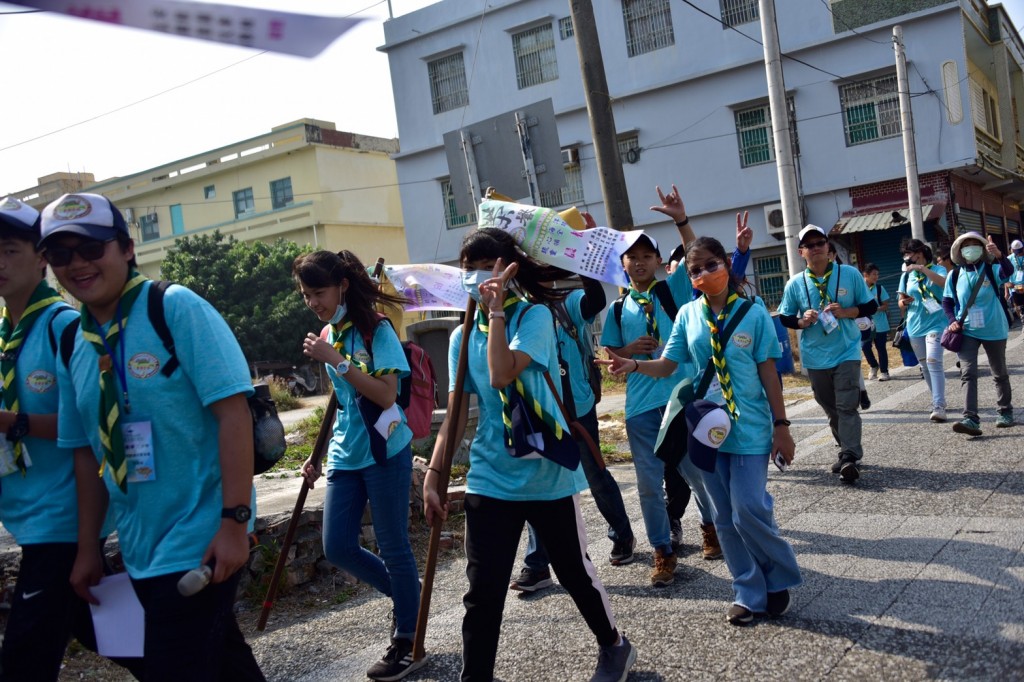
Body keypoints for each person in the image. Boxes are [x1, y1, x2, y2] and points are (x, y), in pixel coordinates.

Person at [42, 193, 264, 681]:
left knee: (176, 666)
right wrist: (88, 548)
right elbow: (87, 453)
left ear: (125, 248)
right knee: (221, 665)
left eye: (92, 248)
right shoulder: (70, 341)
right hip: (141, 547)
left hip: (199, 537)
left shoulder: (173, 308)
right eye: (61, 255)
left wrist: (234, 521)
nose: (78, 264)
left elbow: (233, 415)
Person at [423, 228, 636, 682]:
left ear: (509, 270)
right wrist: (436, 473)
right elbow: (459, 410)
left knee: (573, 572)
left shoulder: (534, 318)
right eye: (468, 270)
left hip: (545, 473)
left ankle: (614, 645)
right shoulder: (463, 337)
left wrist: (498, 313)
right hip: (490, 476)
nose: (475, 278)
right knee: (482, 591)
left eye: (485, 267)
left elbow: (502, 374)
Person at [603, 235, 802, 625]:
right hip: (707, 428)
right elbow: (669, 363)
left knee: (748, 509)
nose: (704, 274)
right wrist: (634, 366)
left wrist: (782, 426)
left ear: (726, 264)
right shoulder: (688, 316)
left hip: (751, 427)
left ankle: (777, 576)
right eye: (696, 270)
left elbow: (769, 373)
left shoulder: (754, 313)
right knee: (724, 518)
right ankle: (747, 590)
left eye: (712, 265)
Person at [0, 197, 142, 682]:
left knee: (23, 658)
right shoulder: (5, 336)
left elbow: (89, 428)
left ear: (40, 258)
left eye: (9, 250)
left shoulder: (64, 328)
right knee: (110, 633)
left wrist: (10, 422)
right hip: (28, 514)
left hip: (63, 518)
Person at [293, 250, 426, 680]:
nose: (313, 302)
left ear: (342, 286)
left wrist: (337, 360)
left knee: (394, 546)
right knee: (338, 547)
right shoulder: (331, 331)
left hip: (385, 450)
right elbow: (341, 402)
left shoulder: (376, 330)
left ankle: (408, 638)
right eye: (306, 295)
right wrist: (314, 457)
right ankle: (411, 600)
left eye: (319, 292)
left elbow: (386, 394)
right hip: (345, 455)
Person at [600, 184, 718, 585]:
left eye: (647, 256)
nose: (639, 262)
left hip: (679, 398)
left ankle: (711, 527)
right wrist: (629, 349)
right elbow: (611, 353)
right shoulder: (618, 307)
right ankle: (662, 551)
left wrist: (682, 221)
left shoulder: (675, 290)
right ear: (624, 264)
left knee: (696, 472)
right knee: (649, 485)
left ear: (657, 261)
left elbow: (693, 257)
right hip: (639, 407)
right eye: (632, 256)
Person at [510, 238, 637, 592]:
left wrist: (582, 257)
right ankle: (537, 565)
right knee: (541, 485)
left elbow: (596, 300)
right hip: (538, 410)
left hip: (576, 406)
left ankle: (623, 535)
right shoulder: (517, 313)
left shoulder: (569, 303)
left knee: (594, 475)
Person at [778, 225, 876, 483]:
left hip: (847, 350)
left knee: (846, 405)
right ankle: (845, 448)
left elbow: (870, 306)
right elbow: (786, 316)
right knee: (829, 406)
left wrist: (847, 312)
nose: (816, 248)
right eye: (809, 245)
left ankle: (850, 457)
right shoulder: (795, 283)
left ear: (828, 247)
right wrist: (802, 321)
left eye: (820, 242)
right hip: (815, 355)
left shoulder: (849, 274)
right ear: (802, 252)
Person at [943, 232, 1015, 435]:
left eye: (975, 244)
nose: (971, 248)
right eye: (967, 245)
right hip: (967, 330)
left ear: (983, 249)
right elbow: (947, 301)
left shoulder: (992, 269)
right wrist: (952, 321)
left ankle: (1005, 412)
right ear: (960, 251)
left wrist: (1000, 255)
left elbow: (1008, 272)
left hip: (994, 329)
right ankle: (970, 418)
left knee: (999, 373)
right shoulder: (955, 275)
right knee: (967, 373)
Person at [897, 238, 948, 422]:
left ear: (921, 252)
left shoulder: (937, 269)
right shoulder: (906, 276)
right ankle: (937, 398)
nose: (908, 257)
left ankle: (939, 406)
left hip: (937, 323)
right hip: (915, 325)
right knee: (925, 366)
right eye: (906, 254)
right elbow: (900, 303)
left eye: (910, 253)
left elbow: (943, 283)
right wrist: (904, 302)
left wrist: (922, 269)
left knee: (934, 361)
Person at [861, 263, 891, 382]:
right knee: (865, 347)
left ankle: (884, 372)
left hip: (880, 324)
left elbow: (885, 306)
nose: (876, 277)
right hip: (864, 325)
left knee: (881, 348)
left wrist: (875, 309)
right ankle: (874, 365)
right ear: (866, 275)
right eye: (874, 274)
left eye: (877, 274)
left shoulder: (879, 288)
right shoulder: (859, 288)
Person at [1006, 239, 1024, 325]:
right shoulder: (1009, 259)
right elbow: (1005, 277)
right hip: (1014, 288)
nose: (1018, 253)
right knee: (1018, 308)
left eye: (1020, 251)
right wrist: (1006, 291)